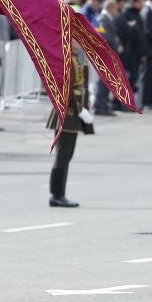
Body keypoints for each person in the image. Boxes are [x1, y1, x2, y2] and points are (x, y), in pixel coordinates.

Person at [47, 47, 94, 207]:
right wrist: (80, 110)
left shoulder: (78, 57)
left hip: (75, 112)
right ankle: (56, 194)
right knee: (62, 155)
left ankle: (60, 193)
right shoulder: (64, 58)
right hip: (67, 111)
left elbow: (83, 83)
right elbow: (66, 88)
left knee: (67, 155)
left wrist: (85, 106)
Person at [94, 0, 124, 115]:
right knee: (103, 81)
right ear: (111, 7)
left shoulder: (106, 19)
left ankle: (104, 104)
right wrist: (116, 46)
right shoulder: (102, 19)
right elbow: (105, 37)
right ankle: (100, 105)